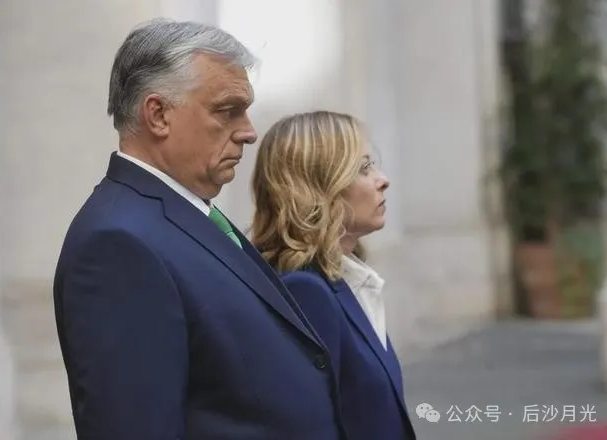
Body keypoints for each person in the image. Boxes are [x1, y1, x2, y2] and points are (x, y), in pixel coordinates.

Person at [53, 20, 344, 440]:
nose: (249, 132)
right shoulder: (118, 244)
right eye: (227, 110)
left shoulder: (185, 213)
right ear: (158, 114)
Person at [250, 111, 416, 440]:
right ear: (319, 187)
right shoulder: (304, 289)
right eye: (363, 168)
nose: (383, 180)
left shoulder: (343, 277)